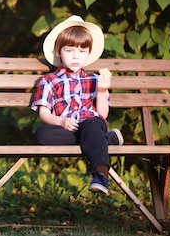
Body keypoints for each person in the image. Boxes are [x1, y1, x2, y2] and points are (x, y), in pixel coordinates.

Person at [31, 15, 124, 194]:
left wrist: (102, 92)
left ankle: (101, 173)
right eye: (70, 50)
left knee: (92, 124)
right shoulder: (49, 80)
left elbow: (102, 114)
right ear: (59, 51)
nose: (76, 57)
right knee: (42, 134)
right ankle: (105, 139)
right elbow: (44, 113)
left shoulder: (94, 79)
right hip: (67, 127)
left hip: (91, 122)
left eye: (82, 52)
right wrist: (60, 121)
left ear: (88, 54)